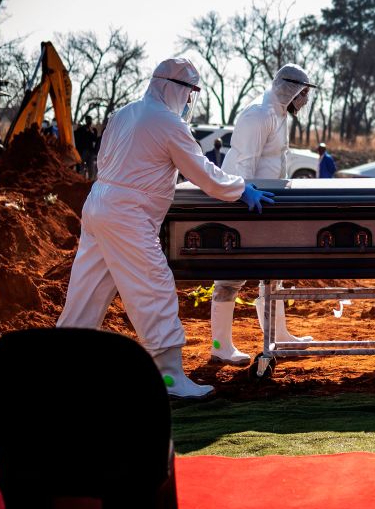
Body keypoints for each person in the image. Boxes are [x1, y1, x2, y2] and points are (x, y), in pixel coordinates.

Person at [57, 58, 274, 398]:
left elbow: (114, 162)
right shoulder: (168, 124)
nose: (190, 101)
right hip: (129, 216)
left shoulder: (123, 114)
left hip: (98, 203)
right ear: (179, 89)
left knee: (87, 291)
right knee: (154, 288)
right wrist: (240, 189)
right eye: (190, 93)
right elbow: (203, 173)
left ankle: (61, 369)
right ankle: (170, 377)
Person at [209, 64, 317, 365]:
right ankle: (221, 345)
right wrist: (245, 197)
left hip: (267, 203)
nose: (306, 99)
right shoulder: (258, 114)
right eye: (304, 93)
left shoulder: (279, 113)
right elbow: (245, 163)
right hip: (245, 204)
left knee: (274, 272)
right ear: (291, 89)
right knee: (230, 278)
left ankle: (279, 333)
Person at [74, 114, 100, 180]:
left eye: (90, 120)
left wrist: (90, 131)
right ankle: (81, 179)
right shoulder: (82, 129)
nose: (89, 121)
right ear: (86, 121)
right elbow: (78, 138)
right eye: (88, 120)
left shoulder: (94, 130)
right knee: (81, 166)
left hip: (91, 151)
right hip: (83, 151)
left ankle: (91, 180)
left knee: (91, 166)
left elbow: (95, 139)